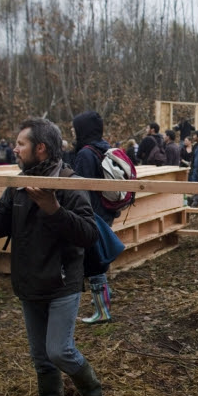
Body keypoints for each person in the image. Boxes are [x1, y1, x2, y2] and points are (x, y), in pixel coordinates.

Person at [0, 118, 106, 396]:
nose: (15, 148)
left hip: (61, 281)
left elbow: (89, 234)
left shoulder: (69, 183)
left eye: (20, 144)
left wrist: (54, 209)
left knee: (58, 350)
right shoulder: (20, 183)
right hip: (28, 281)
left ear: (40, 148)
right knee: (41, 357)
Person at [72, 111, 117, 324]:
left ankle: (102, 311)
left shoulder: (85, 154)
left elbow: (80, 188)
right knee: (100, 257)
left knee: (94, 260)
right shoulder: (104, 148)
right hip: (106, 209)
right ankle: (105, 297)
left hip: (92, 213)